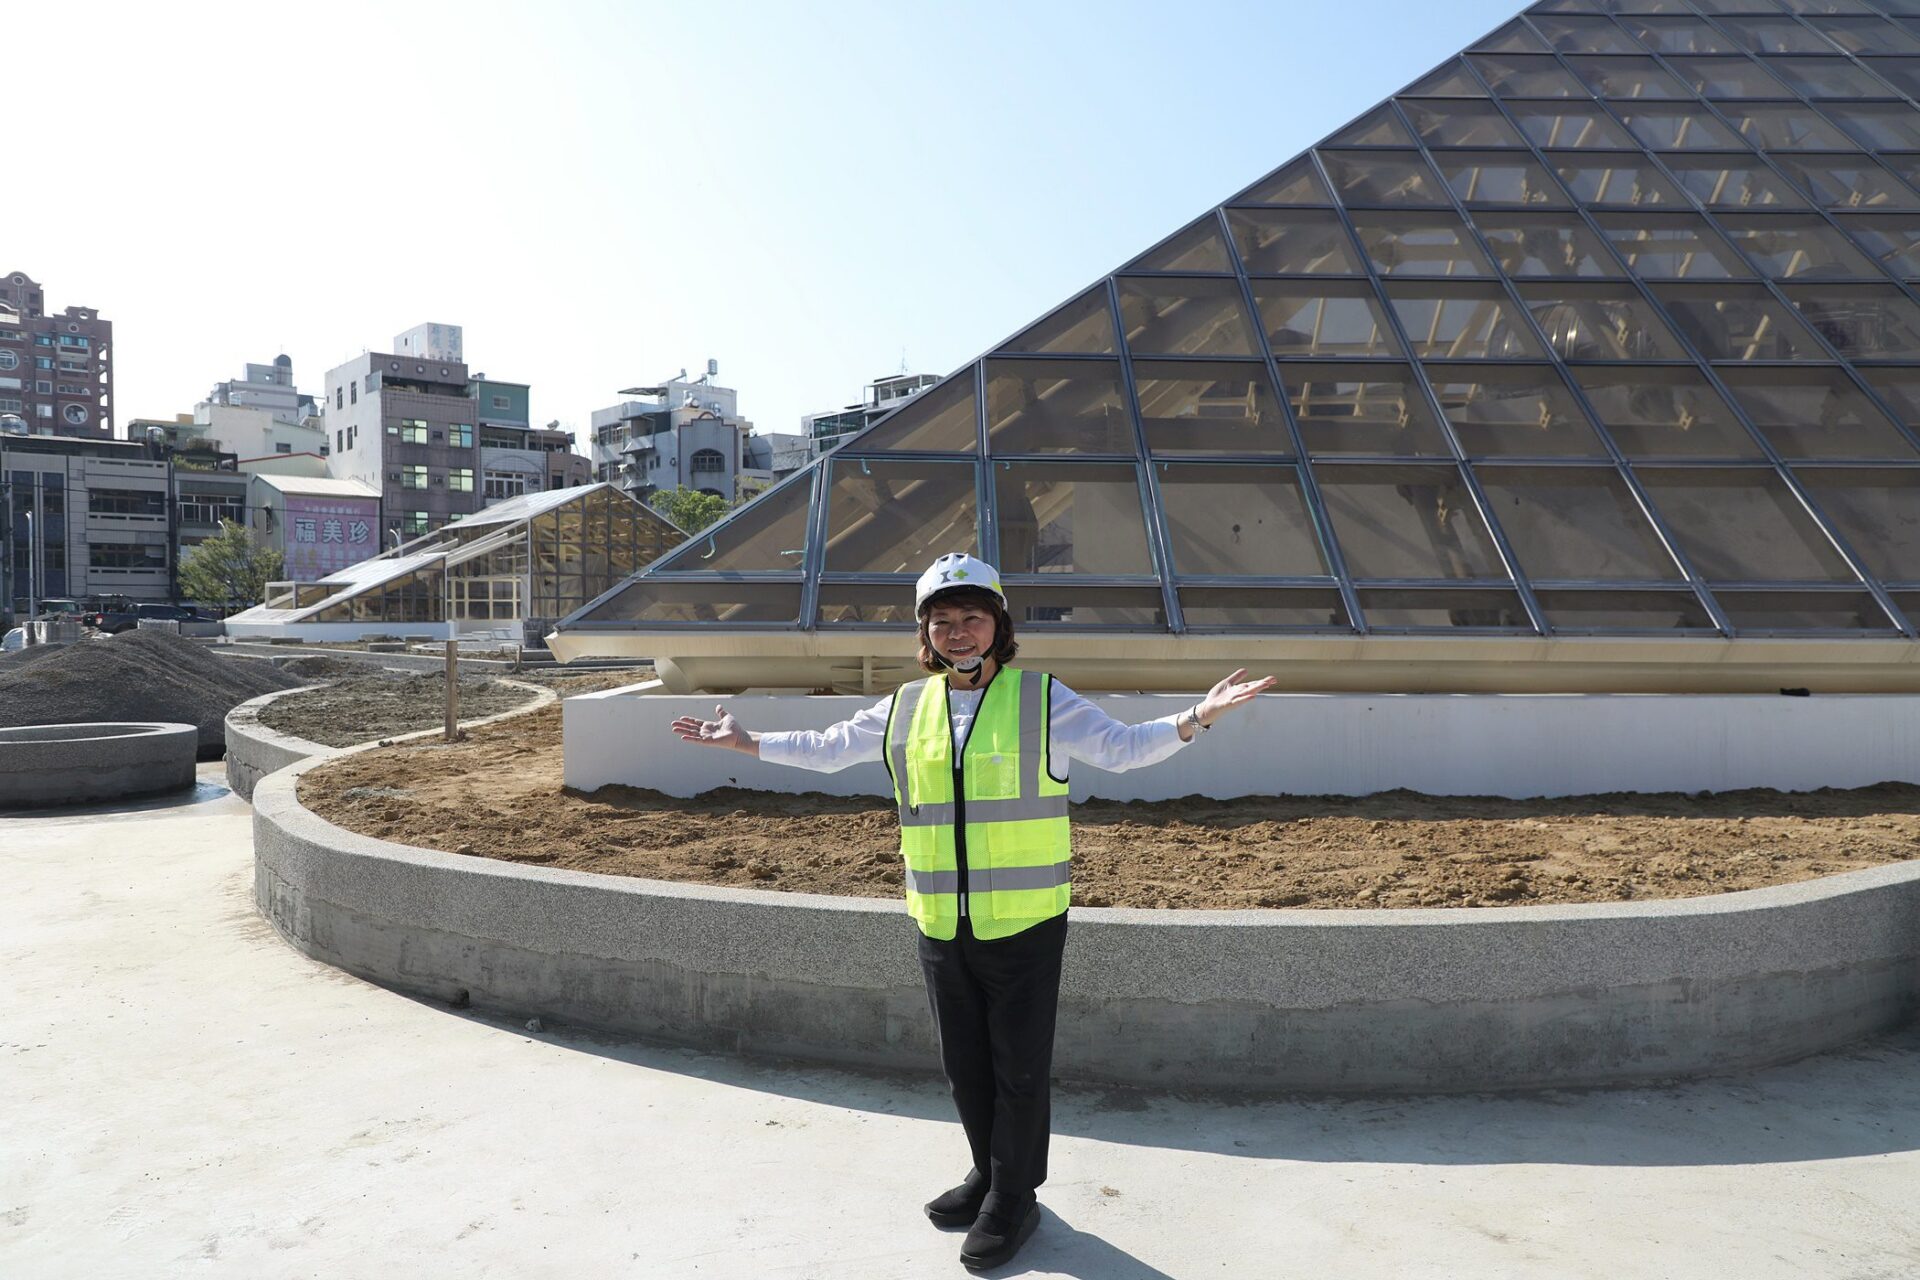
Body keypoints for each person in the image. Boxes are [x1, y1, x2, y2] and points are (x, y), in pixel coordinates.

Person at [671, 553, 1272, 1271]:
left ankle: (1015, 1198)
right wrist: (749, 742)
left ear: (999, 627)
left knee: (1019, 1068)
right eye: (942, 621)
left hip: (1022, 922)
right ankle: (990, 1174)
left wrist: (1195, 717)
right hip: (938, 920)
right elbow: (830, 749)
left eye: (972, 618)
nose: (958, 632)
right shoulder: (905, 706)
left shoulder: (1039, 697)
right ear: (926, 636)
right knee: (966, 1068)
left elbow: (1121, 748)